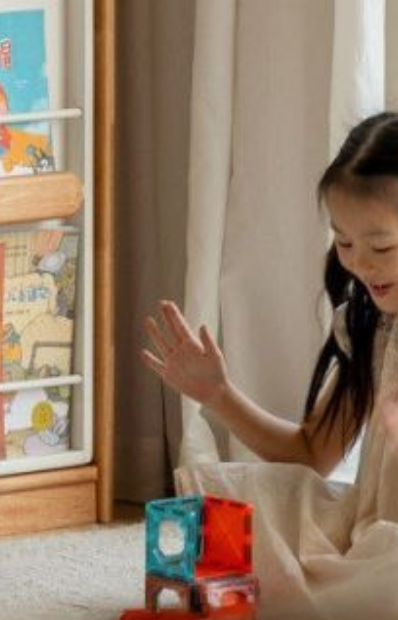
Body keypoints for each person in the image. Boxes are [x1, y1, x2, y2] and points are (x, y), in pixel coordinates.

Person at [142, 111, 398, 618]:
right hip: (369, 533)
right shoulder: (371, 326)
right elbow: (309, 454)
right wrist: (219, 395)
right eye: (344, 243)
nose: (361, 265)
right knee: (239, 509)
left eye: (382, 246)